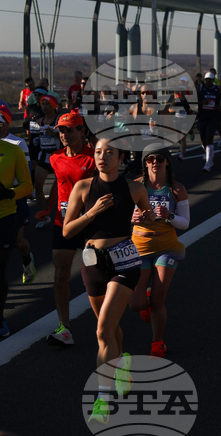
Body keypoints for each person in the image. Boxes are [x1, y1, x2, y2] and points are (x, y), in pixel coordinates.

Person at [62, 138, 153, 424]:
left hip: (124, 259)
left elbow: (149, 218)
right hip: (92, 263)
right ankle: (122, 363)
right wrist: (92, 212)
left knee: (102, 331)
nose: (102, 157)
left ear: (120, 157)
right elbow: (66, 231)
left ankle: (104, 397)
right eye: (99, 152)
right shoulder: (84, 187)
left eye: (109, 153)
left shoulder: (134, 188)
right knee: (110, 328)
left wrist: (143, 216)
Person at [128, 144, 189, 357]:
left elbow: (185, 223)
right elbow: (120, 215)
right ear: (145, 163)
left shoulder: (176, 188)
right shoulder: (135, 186)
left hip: (167, 247)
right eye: (150, 158)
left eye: (160, 158)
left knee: (158, 300)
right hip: (140, 248)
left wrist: (169, 216)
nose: (155, 162)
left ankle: (157, 342)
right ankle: (144, 298)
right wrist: (132, 218)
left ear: (167, 162)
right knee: (135, 304)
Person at [44, 112, 97, 347]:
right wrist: (47, 209)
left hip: (90, 224)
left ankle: (106, 322)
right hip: (62, 222)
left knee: (97, 277)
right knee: (61, 274)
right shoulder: (55, 158)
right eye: (61, 131)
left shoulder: (94, 158)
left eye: (69, 130)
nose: (64, 135)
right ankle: (65, 328)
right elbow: (58, 185)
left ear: (82, 131)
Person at [0, 112, 33, 338]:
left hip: (5, 218)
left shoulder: (13, 150)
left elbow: (27, 185)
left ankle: (0, 318)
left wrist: (9, 194)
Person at [196, 74, 221, 171]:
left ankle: (208, 164)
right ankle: (210, 157)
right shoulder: (200, 88)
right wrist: (201, 102)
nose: (208, 81)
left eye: (210, 80)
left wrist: (220, 107)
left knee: (209, 139)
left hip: (213, 117)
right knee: (203, 141)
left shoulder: (218, 89)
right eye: (207, 79)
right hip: (202, 116)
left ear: (213, 80)